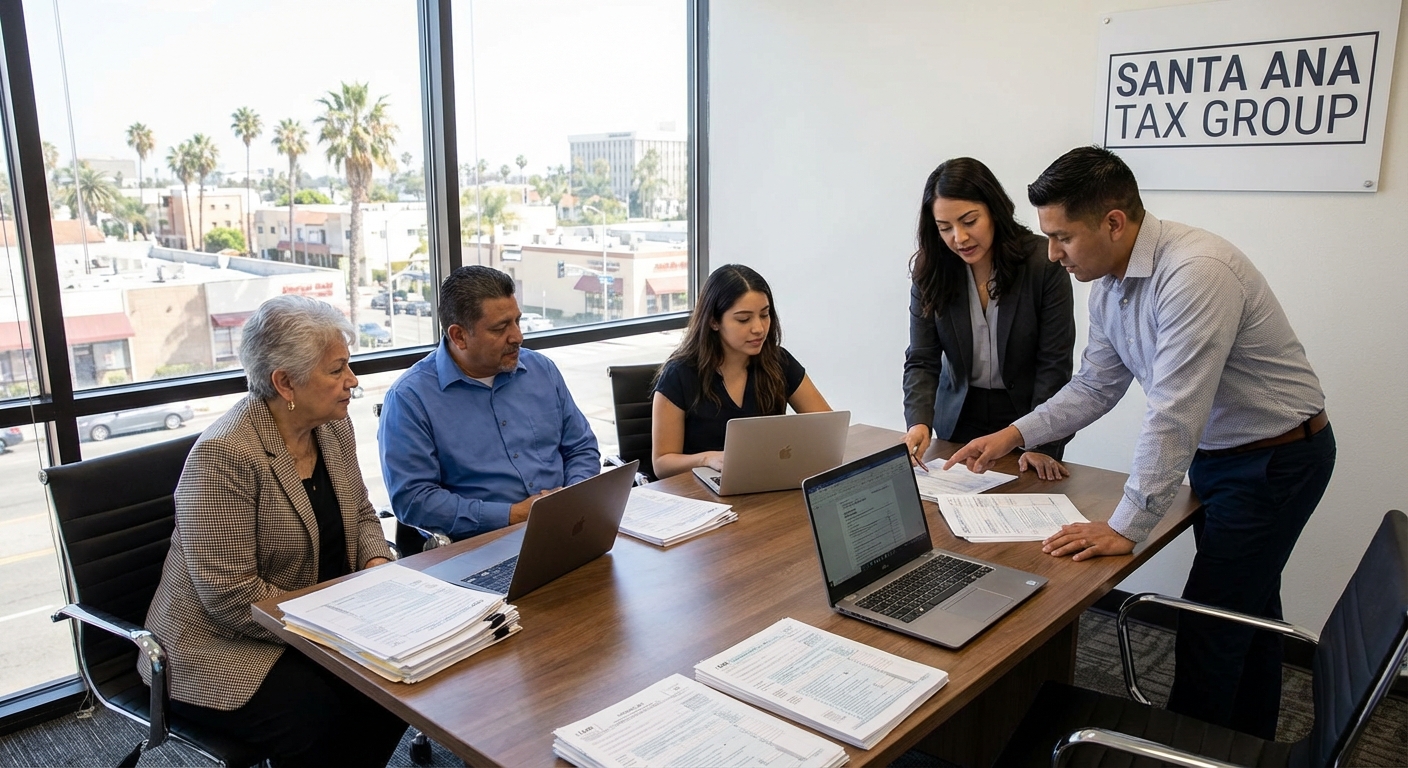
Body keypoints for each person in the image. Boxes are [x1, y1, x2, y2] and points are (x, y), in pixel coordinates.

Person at [945, 145, 1335, 740]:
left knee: (1209, 625)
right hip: (1223, 456)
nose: (1052, 254)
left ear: (1113, 222)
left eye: (1062, 237)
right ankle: (1246, 744)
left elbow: (1174, 412)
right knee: (1247, 613)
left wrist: (1126, 526)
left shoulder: (1197, 272)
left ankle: (1182, 749)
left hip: (1276, 460)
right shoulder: (1109, 285)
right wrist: (1012, 434)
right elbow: (1095, 386)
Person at [142, 295, 406, 766]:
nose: (352, 381)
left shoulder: (331, 427)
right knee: (318, 714)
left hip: (323, 618)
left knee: (398, 681)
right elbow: (230, 597)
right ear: (285, 382)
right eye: (337, 370)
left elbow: (362, 514)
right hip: (217, 646)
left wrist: (376, 566)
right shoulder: (224, 455)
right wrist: (336, 629)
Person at [379, 265, 599, 540]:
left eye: (517, 321)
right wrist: (513, 515)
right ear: (459, 336)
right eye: (500, 328)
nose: (518, 337)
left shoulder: (541, 370)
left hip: (567, 527)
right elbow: (414, 500)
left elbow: (581, 448)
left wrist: (572, 496)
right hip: (480, 544)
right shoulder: (410, 399)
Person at [902, 157, 1075, 480]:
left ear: (994, 210)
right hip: (958, 417)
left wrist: (1043, 444)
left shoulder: (1043, 263)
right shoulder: (931, 271)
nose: (959, 238)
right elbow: (922, 359)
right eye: (945, 228)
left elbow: (1054, 363)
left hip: (1027, 418)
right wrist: (919, 422)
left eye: (969, 221)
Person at [651, 264, 831, 478]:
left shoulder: (779, 361)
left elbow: (828, 428)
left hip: (766, 479)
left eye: (764, 315)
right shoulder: (679, 373)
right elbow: (662, 463)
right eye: (743, 319)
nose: (759, 328)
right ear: (714, 321)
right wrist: (706, 459)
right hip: (701, 489)